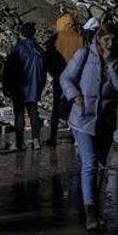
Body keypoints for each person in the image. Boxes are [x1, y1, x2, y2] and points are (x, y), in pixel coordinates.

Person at [62, 22, 118, 232]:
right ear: (98, 38)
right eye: (106, 39)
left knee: (100, 165)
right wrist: (74, 95)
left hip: (105, 121)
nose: (109, 43)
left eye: (113, 39)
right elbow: (66, 77)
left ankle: (94, 206)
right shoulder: (84, 54)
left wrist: (112, 64)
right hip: (82, 119)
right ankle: (90, 211)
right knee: (90, 163)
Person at [4, 22, 48, 150]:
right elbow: (43, 70)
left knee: (19, 114)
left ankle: (19, 142)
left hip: (19, 86)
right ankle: (36, 139)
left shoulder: (18, 49)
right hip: (34, 86)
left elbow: (9, 69)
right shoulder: (38, 50)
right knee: (33, 112)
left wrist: (6, 85)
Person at [43, 13, 83, 147]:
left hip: (58, 77)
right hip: (76, 78)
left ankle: (53, 136)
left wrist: (53, 72)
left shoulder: (54, 39)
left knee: (56, 107)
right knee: (75, 104)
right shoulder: (80, 39)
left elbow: (46, 58)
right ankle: (76, 134)